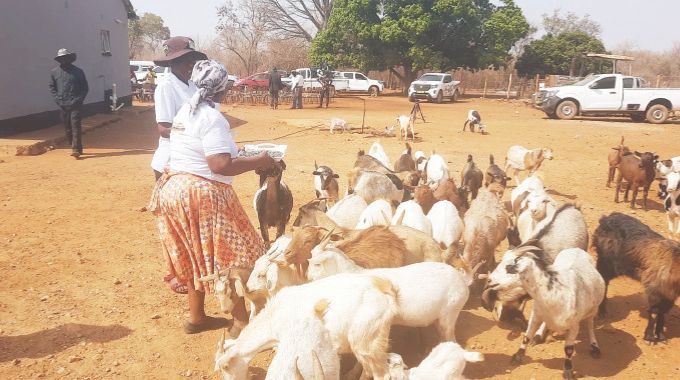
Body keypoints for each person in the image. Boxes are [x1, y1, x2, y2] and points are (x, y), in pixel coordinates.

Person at [148, 60, 276, 335]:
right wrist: (261, 160)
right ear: (222, 88)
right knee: (230, 260)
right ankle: (241, 323)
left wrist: (243, 154)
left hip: (174, 189)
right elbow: (220, 165)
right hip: (201, 194)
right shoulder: (212, 117)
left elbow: (209, 153)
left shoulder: (187, 111)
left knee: (196, 256)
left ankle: (196, 318)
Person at [150, 36, 207, 182]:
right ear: (172, 62)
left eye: (193, 61)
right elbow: (164, 129)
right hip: (171, 162)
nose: (191, 65)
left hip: (189, 160)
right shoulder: (166, 86)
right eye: (186, 60)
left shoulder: (193, 85)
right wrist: (197, 134)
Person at [49, 48, 89, 158]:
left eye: (65, 58)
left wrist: (78, 100)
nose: (64, 60)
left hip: (76, 103)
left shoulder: (78, 71)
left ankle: (75, 149)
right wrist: (57, 100)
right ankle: (75, 145)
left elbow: (85, 88)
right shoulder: (54, 72)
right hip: (63, 104)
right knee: (67, 127)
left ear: (69, 59)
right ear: (59, 60)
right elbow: (52, 87)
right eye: (61, 58)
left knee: (75, 125)